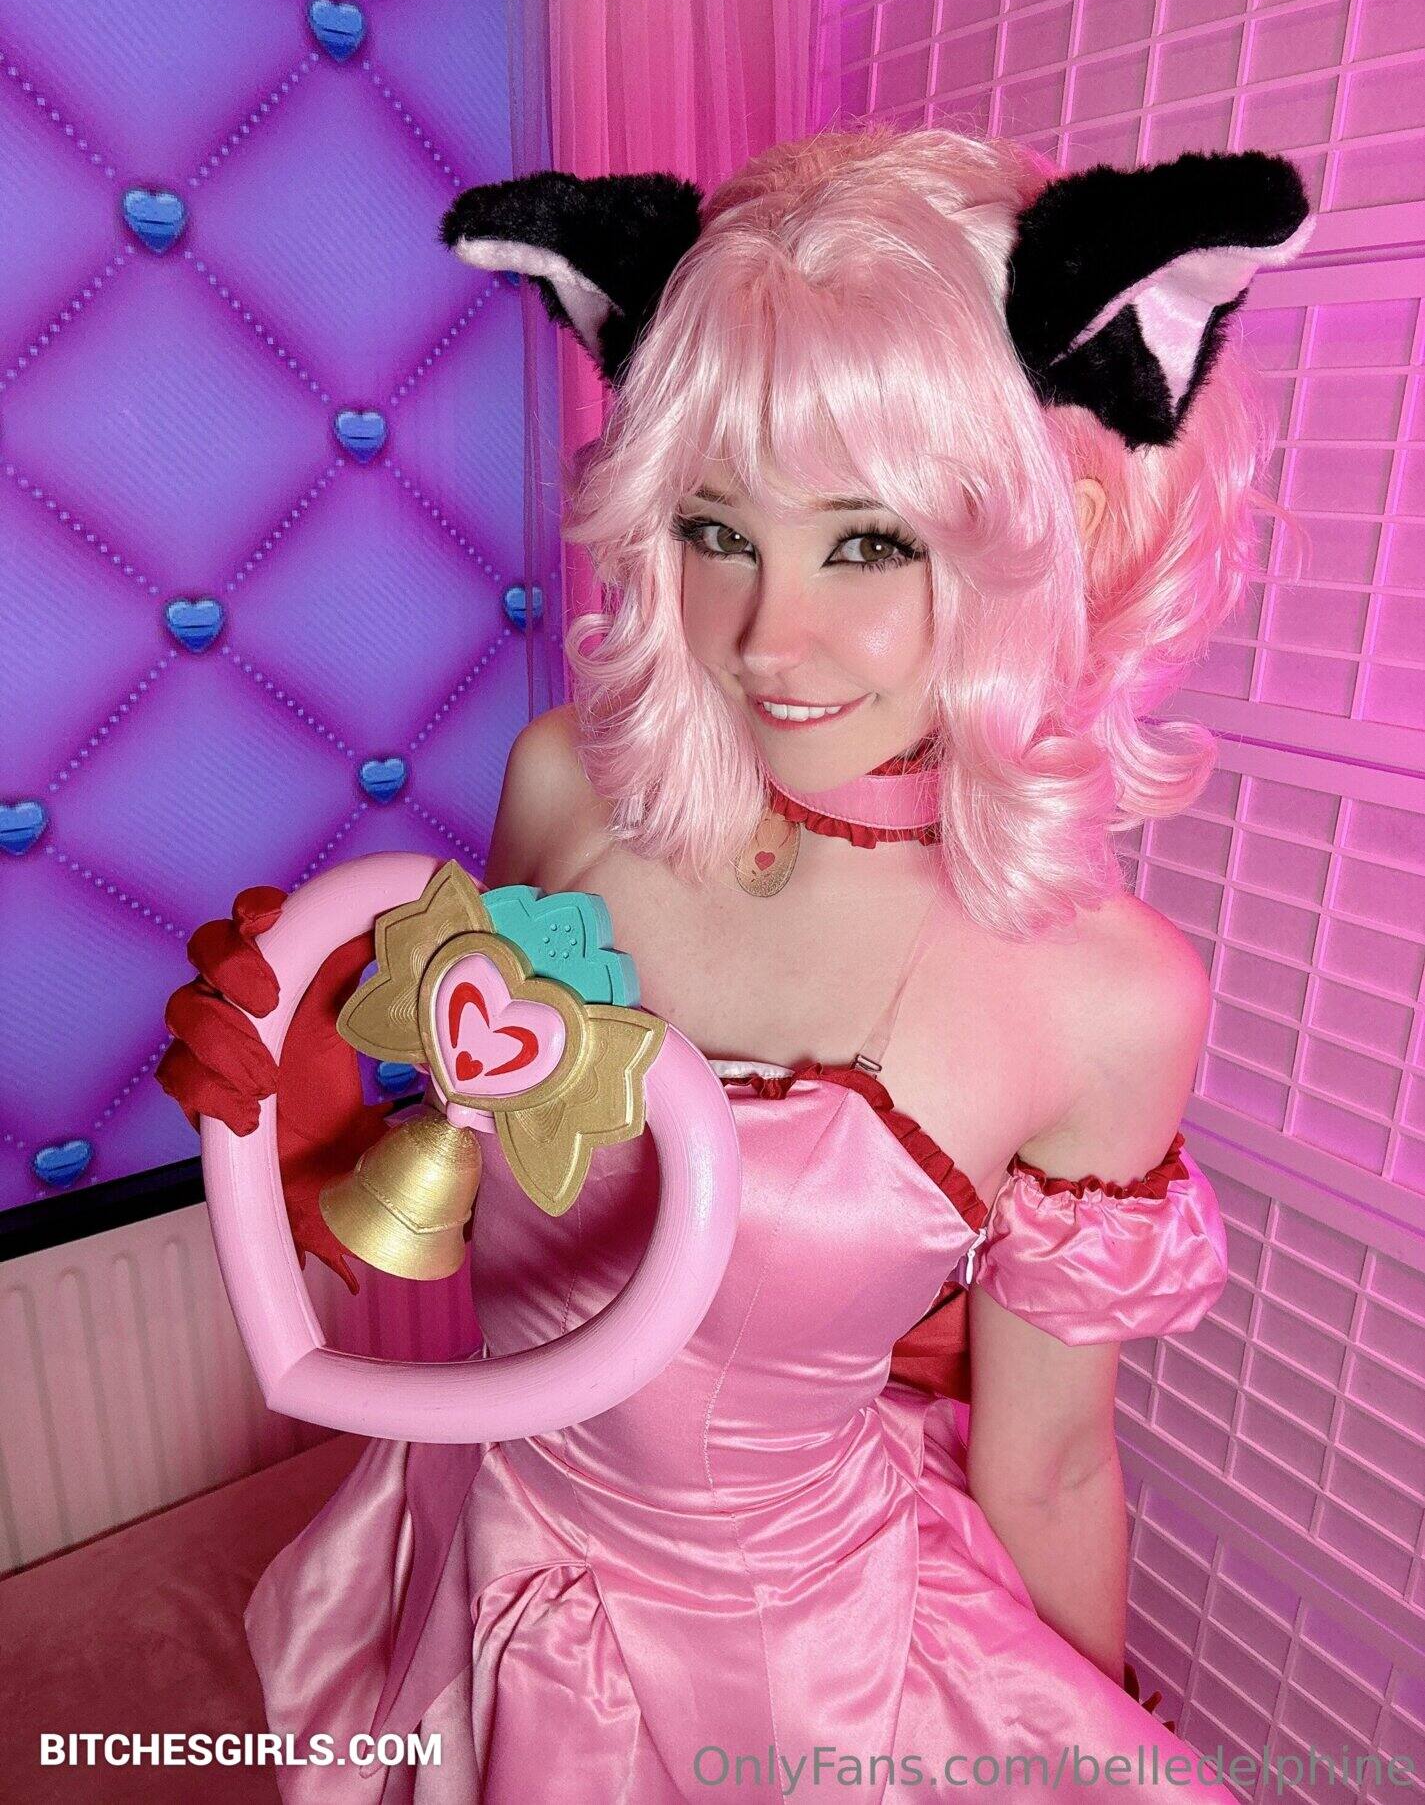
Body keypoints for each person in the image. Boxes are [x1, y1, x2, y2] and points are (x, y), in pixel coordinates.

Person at [158, 127, 1312, 1802]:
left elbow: (1051, 1464)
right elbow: (487, 1204)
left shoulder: (1102, 996)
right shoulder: (566, 787)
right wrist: (324, 1134)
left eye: (868, 541)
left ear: (1044, 530)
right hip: (480, 1535)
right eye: (716, 528)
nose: (770, 638)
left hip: (787, 1677)